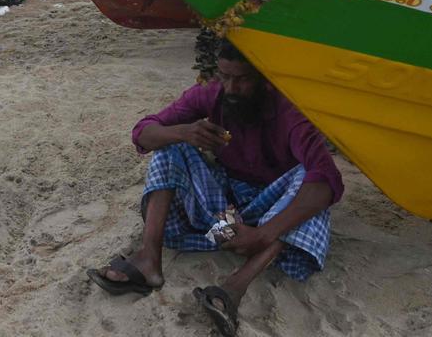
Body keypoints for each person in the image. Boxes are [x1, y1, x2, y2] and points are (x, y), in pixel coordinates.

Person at [87, 40, 343, 337]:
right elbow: (143, 132)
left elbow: (326, 178)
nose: (231, 88)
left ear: (264, 79)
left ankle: (234, 287)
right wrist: (184, 131)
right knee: (170, 148)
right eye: (225, 76)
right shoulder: (212, 94)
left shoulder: (290, 112)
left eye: (242, 79)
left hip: (272, 215)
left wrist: (264, 232)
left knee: (309, 184)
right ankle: (148, 259)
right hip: (223, 208)